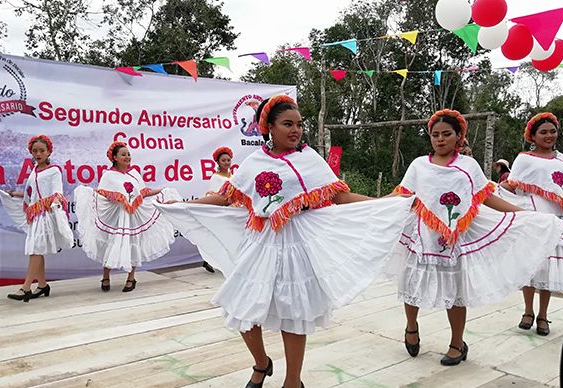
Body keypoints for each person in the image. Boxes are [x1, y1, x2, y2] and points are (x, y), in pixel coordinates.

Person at [155, 95, 414, 388]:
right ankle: (262, 363)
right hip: (261, 241)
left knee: (293, 313)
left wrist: (383, 203)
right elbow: (227, 196)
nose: (296, 130)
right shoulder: (255, 162)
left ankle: (293, 381)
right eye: (287, 124)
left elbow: (337, 195)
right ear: (269, 128)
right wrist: (186, 205)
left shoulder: (309, 159)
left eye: (299, 124)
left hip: (296, 243)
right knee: (241, 308)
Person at [389, 109, 563, 366]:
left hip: (455, 239)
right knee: (412, 285)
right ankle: (411, 327)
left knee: (455, 291)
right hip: (422, 236)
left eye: (446, 134)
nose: (440, 139)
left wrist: (524, 214)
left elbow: (486, 196)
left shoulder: (468, 166)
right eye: (435, 135)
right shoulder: (419, 165)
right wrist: (370, 206)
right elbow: (403, 194)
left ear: (458, 135)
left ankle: (457, 343)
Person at [500, 112, 563, 335]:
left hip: (557, 217)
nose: (549, 135)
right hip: (532, 216)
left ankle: (543, 315)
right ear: (533, 136)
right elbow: (512, 186)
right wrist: (490, 193)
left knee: (550, 267)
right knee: (531, 265)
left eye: (552, 131)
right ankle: (528, 310)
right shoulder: (524, 159)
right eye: (543, 132)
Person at [74, 141, 180, 292]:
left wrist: (162, 191)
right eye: (123, 154)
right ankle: (105, 276)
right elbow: (102, 194)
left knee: (133, 242)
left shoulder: (135, 174)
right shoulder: (109, 175)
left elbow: (143, 192)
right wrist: (116, 198)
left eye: (128, 154)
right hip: (116, 216)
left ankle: (131, 277)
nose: (127, 157)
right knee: (110, 243)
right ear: (115, 157)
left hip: (133, 216)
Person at [0, 135, 73, 302]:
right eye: (35, 151)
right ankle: (42, 285)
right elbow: (30, 194)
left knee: (35, 249)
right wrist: (16, 194)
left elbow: (57, 192)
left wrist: (54, 202)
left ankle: (26, 287)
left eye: (42, 151)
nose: (38, 154)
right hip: (35, 214)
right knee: (36, 249)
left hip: (46, 214)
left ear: (48, 152)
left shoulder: (54, 170)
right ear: (31, 152)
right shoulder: (34, 170)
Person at [201, 146, 235, 273]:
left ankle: (212, 261)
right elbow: (215, 196)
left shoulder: (232, 176)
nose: (227, 162)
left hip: (233, 210)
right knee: (220, 237)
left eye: (228, 160)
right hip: (223, 211)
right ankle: (210, 260)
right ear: (218, 162)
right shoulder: (216, 177)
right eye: (224, 160)